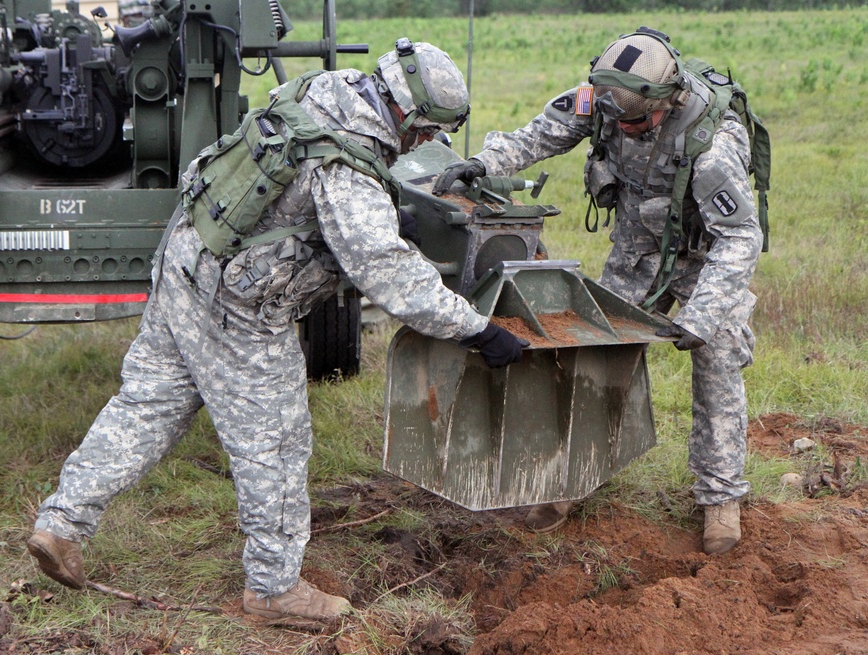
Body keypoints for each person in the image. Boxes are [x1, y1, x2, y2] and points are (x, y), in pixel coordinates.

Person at [26, 39, 527, 623]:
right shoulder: (346, 163)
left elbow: (300, 199)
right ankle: (273, 587)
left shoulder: (329, 90)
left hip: (188, 257)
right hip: (238, 304)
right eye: (425, 132)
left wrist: (388, 218)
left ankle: (61, 525)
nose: (423, 144)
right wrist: (477, 330)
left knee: (147, 405)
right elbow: (389, 276)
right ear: (408, 114)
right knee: (277, 443)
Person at [434, 27, 761, 555]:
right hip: (635, 251)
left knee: (719, 362)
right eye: (618, 120)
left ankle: (720, 499)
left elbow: (742, 236)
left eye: (638, 121)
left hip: (703, 261)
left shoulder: (713, 142)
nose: (626, 128)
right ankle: (574, 478)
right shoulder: (606, 100)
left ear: (668, 99)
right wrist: (486, 164)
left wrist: (702, 316)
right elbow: (541, 134)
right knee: (596, 354)